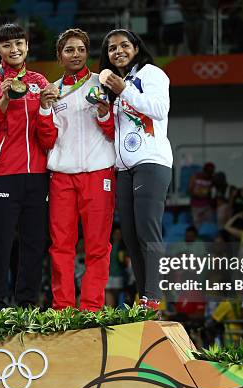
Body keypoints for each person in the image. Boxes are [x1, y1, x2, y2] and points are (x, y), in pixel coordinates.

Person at [0, 23, 57, 309]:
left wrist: (46, 107)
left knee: (34, 245)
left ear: (27, 47)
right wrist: (3, 100)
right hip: (3, 175)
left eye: (19, 43)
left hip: (37, 175)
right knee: (0, 243)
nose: (15, 49)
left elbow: (49, 133)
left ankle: (27, 306)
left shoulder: (40, 81)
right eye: (8, 45)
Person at [99, 29, 173, 311]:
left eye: (124, 45)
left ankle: (154, 298)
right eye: (111, 48)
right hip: (123, 168)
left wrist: (124, 90)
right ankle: (144, 298)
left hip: (151, 162)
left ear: (136, 47)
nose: (118, 51)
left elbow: (159, 108)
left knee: (147, 231)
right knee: (130, 236)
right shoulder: (116, 84)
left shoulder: (152, 74)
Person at [46, 29, 116, 311]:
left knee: (98, 246)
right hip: (61, 176)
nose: (75, 55)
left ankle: (91, 307)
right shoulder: (51, 91)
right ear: (59, 56)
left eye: (80, 49)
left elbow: (114, 132)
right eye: (69, 50)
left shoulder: (104, 83)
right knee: (61, 245)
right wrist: (43, 109)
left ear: (88, 53)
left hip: (99, 173)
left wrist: (103, 111)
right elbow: (47, 137)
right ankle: (62, 307)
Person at [188, 162, 215, 228]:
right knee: (197, 225)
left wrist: (204, 194)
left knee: (208, 226)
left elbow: (212, 193)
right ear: (204, 170)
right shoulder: (195, 177)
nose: (208, 174)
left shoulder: (212, 179)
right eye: (207, 172)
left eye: (211, 172)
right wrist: (199, 194)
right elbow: (189, 190)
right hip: (196, 206)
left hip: (207, 206)